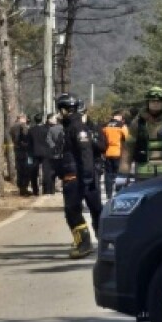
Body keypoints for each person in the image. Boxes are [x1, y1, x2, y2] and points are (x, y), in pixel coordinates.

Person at [52, 93, 104, 259]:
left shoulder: (77, 128)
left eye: (60, 109)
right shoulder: (69, 127)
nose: (59, 113)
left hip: (78, 176)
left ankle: (86, 244)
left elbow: (85, 154)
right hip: (73, 175)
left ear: (65, 109)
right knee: (80, 210)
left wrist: (87, 177)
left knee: (74, 211)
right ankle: (91, 242)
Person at [125, 85, 162, 181]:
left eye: (158, 101)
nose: (155, 104)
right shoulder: (137, 122)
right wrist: (122, 173)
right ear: (147, 103)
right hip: (144, 174)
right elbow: (128, 149)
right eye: (152, 101)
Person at [100, 112, 129, 199]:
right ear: (119, 117)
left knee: (108, 174)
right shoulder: (122, 126)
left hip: (107, 153)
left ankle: (109, 194)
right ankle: (119, 192)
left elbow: (101, 138)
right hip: (118, 152)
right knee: (119, 174)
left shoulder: (105, 126)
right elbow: (128, 139)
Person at [8, 113, 37, 196]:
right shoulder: (23, 126)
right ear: (23, 118)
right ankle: (24, 188)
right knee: (27, 170)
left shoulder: (12, 127)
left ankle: (21, 188)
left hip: (17, 151)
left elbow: (12, 137)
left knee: (19, 170)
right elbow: (25, 137)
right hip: (26, 151)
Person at [29, 112, 54, 195]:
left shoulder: (31, 130)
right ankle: (46, 190)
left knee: (33, 172)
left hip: (34, 152)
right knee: (46, 172)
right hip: (46, 152)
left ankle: (35, 190)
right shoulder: (46, 129)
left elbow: (29, 142)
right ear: (42, 120)